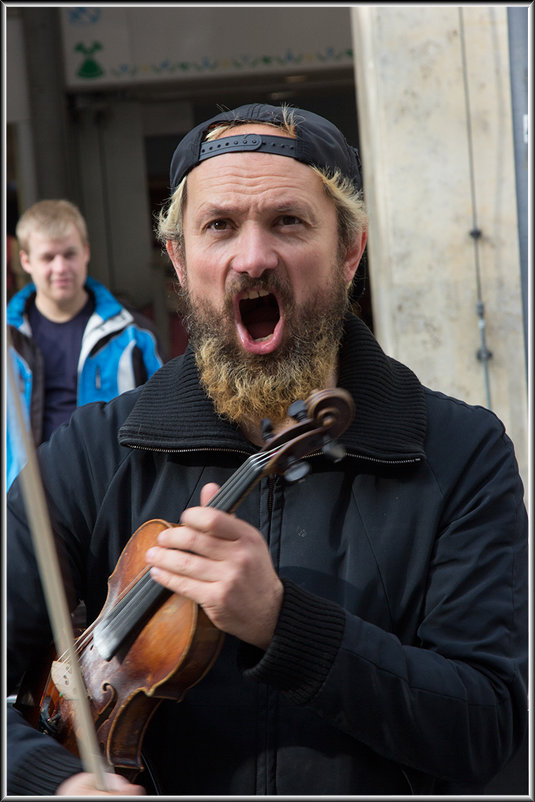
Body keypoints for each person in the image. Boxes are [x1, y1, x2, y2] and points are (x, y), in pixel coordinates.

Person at [6, 103, 528, 796]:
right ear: (180, 258)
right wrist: (48, 780)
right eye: (219, 226)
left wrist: (283, 624)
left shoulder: (461, 454)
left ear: (349, 251)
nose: (252, 257)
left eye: (288, 222)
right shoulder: (94, 453)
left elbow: (485, 729)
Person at [6, 199, 166, 489]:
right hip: (26, 500)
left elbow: (166, 418)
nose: (61, 267)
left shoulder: (134, 335)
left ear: (86, 253)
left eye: (70, 254)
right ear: (26, 261)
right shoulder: (7, 338)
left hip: (109, 496)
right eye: (48, 257)